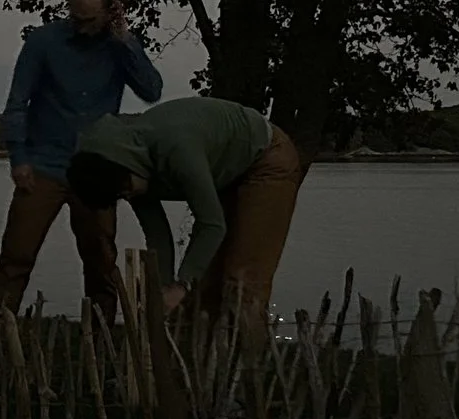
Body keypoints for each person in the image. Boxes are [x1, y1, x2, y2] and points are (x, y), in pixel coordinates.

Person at [0, 0, 163, 328]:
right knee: (16, 256)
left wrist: (126, 41)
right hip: (43, 164)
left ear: (109, 12)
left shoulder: (119, 46)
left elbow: (151, 90)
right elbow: (17, 102)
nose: (82, 26)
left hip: (95, 169)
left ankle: (101, 339)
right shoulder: (43, 42)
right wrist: (18, 158)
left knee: (101, 259)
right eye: (76, 18)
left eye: (90, 19)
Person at [65, 95, 303, 328]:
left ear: (125, 166)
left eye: (124, 190)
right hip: (226, 172)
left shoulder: (176, 148)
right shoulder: (129, 176)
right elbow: (157, 235)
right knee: (206, 286)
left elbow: (211, 224)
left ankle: (250, 365)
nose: (127, 196)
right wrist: (163, 289)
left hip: (265, 159)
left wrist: (181, 285)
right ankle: (207, 361)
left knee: (241, 283)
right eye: (120, 197)